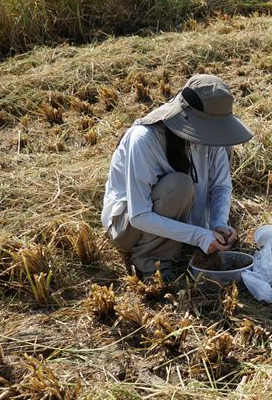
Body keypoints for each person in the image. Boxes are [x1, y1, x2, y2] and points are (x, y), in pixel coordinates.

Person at [101, 74, 253, 279]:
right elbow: (139, 215)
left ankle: (179, 239)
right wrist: (199, 236)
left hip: (181, 215)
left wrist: (219, 223)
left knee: (190, 183)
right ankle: (151, 260)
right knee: (179, 186)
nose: (214, 133)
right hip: (129, 227)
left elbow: (220, 186)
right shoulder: (145, 139)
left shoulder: (214, 139)